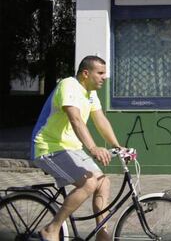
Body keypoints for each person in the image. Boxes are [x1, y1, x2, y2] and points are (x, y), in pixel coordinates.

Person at [31, 55, 122, 241]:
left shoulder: (91, 93)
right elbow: (76, 120)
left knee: (103, 182)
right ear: (86, 73)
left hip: (71, 149)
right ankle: (52, 229)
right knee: (88, 183)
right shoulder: (69, 85)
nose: (104, 77)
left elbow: (101, 121)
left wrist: (117, 146)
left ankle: (101, 234)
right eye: (100, 73)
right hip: (48, 147)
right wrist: (93, 148)